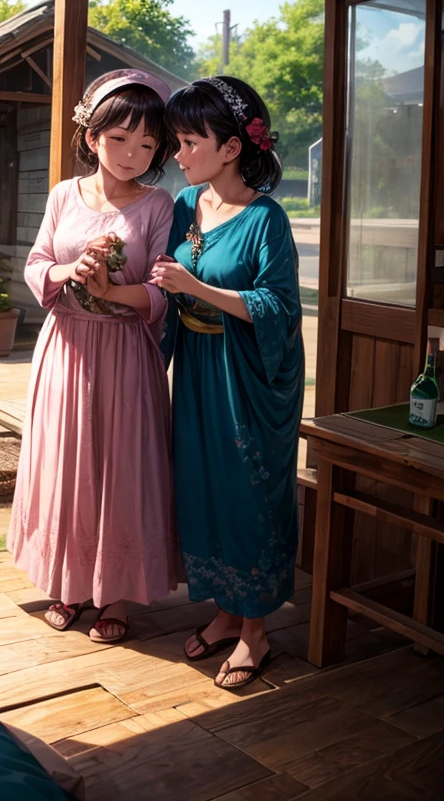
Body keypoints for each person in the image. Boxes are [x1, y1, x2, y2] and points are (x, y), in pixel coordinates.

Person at [8, 69, 178, 643]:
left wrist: (111, 291)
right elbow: (35, 264)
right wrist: (66, 271)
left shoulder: (160, 205)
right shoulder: (63, 195)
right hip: (65, 349)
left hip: (126, 354)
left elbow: (161, 290)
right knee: (68, 465)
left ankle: (119, 594)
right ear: (91, 137)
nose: (133, 154)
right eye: (120, 138)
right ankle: (71, 582)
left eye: (148, 144)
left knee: (122, 469)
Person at [151, 75, 304, 688]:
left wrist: (197, 288)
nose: (178, 154)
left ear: (233, 147)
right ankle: (222, 613)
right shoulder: (186, 206)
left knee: (248, 497)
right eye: (178, 141)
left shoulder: (266, 219)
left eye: (189, 142)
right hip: (195, 371)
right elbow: (166, 281)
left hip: (247, 379)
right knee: (202, 488)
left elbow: (280, 307)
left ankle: (256, 632)